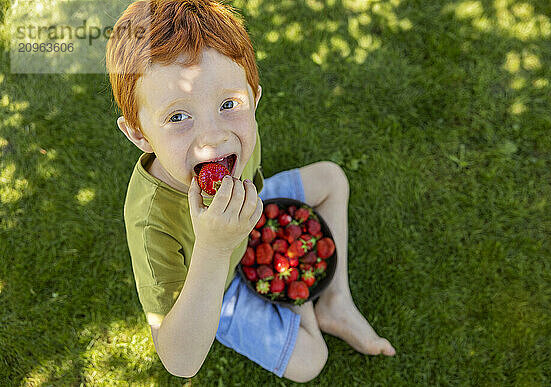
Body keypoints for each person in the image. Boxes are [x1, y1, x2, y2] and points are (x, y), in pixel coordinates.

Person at [105, 0, 396, 381]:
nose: (213, 137)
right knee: (311, 362)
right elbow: (180, 361)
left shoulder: (236, 140)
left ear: (254, 97)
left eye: (228, 104)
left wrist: (257, 229)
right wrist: (214, 247)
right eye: (178, 116)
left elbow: (254, 175)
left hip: (252, 212)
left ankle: (335, 301)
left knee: (331, 179)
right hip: (214, 284)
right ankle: (301, 291)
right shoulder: (150, 223)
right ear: (139, 133)